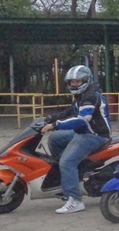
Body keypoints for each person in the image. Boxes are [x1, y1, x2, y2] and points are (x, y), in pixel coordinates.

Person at [41, 65, 111, 214]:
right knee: (54, 139)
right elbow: (70, 111)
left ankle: (75, 200)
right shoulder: (81, 95)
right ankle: (66, 178)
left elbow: (81, 120)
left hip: (95, 135)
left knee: (66, 162)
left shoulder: (90, 96)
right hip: (83, 132)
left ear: (86, 81)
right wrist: (51, 118)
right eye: (72, 82)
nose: (74, 84)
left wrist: (55, 125)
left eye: (77, 81)